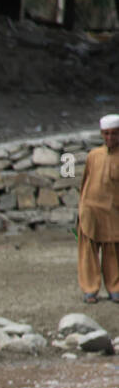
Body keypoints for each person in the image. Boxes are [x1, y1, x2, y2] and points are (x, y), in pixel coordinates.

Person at [77, 113, 119, 303]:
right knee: (88, 251)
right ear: (102, 134)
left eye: (114, 134)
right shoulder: (94, 155)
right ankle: (90, 289)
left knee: (113, 252)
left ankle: (115, 288)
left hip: (113, 211)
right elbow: (85, 181)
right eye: (106, 134)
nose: (110, 138)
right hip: (90, 210)